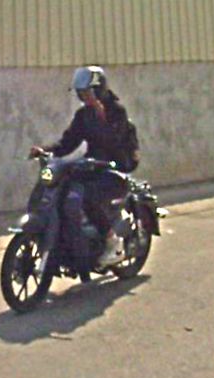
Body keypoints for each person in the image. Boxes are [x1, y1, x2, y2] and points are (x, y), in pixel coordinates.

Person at [29, 66, 140, 282]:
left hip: (116, 168)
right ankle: (69, 242)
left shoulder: (116, 112)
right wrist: (45, 150)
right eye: (81, 94)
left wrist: (103, 118)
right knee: (63, 190)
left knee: (88, 197)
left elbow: (116, 143)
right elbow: (68, 142)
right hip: (93, 167)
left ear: (99, 90)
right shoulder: (83, 115)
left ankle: (112, 242)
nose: (84, 97)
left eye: (87, 92)